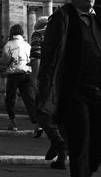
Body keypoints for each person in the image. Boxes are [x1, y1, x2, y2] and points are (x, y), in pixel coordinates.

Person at [37, 0, 101, 177]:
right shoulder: (62, 20)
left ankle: (87, 169)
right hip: (75, 92)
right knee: (79, 145)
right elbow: (49, 57)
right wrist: (46, 90)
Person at [31, 16, 67, 169]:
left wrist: (35, 78)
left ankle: (57, 140)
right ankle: (61, 159)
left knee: (41, 112)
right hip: (65, 78)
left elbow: (36, 57)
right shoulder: (66, 33)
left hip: (48, 77)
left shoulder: (38, 34)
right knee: (61, 117)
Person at [0, 24, 42, 134]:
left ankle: (12, 122)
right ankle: (37, 123)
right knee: (29, 99)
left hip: (14, 73)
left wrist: (2, 63)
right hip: (27, 73)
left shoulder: (9, 44)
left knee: (10, 98)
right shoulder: (27, 45)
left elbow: (5, 60)